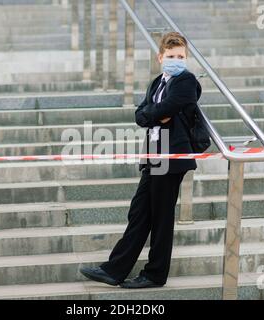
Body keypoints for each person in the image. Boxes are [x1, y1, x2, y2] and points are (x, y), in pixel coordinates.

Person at [80, 32, 202, 289]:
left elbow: (173, 105)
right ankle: (115, 270)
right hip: (154, 154)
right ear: (160, 57)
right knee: (139, 213)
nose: (176, 60)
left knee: (161, 216)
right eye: (171, 56)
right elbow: (140, 115)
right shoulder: (158, 82)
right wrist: (155, 114)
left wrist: (154, 113)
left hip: (172, 154)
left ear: (186, 58)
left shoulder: (187, 80)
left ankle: (155, 274)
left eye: (180, 56)